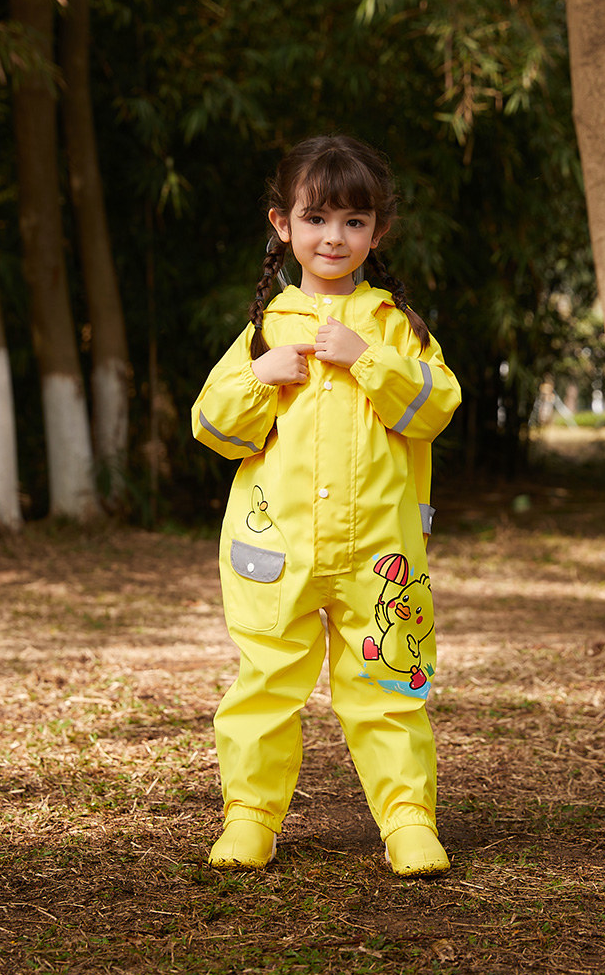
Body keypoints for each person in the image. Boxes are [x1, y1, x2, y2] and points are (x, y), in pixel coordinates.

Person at [192, 135, 461, 876]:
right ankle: (250, 816)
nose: (333, 238)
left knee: (389, 688)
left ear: (378, 230)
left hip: (381, 552)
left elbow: (436, 407)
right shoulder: (266, 329)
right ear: (282, 225)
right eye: (316, 219)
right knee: (265, 688)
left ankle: (407, 820)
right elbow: (211, 424)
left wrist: (366, 358)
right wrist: (262, 378)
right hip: (274, 553)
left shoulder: (397, 327)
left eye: (353, 221)